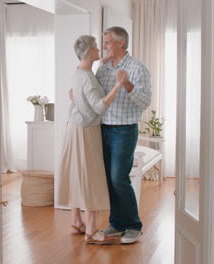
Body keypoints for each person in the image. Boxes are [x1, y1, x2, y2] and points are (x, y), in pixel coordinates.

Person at [56, 35, 127, 244]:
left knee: (76, 174)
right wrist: (118, 84)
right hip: (86, 131)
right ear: (88, 52)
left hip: (74, 127)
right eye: (97, 48)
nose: (100, 50)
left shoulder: (79, 71)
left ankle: (76, 220)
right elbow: (99, 106)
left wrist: (102, 62)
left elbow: (78, 93)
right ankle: (91, 230)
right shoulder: (86, 77)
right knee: (91, 178)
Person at [96, 26, 152, 244]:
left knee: (119, 178)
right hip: (103, 128)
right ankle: (117, 223)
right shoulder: (103, 68)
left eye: (108, 42)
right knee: (109, 179)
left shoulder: (138, 68)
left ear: (120, 43)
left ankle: (134, 226)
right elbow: (99, 97)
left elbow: (145, 102)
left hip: (124, 129)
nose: (105, 46)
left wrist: (127, 84)